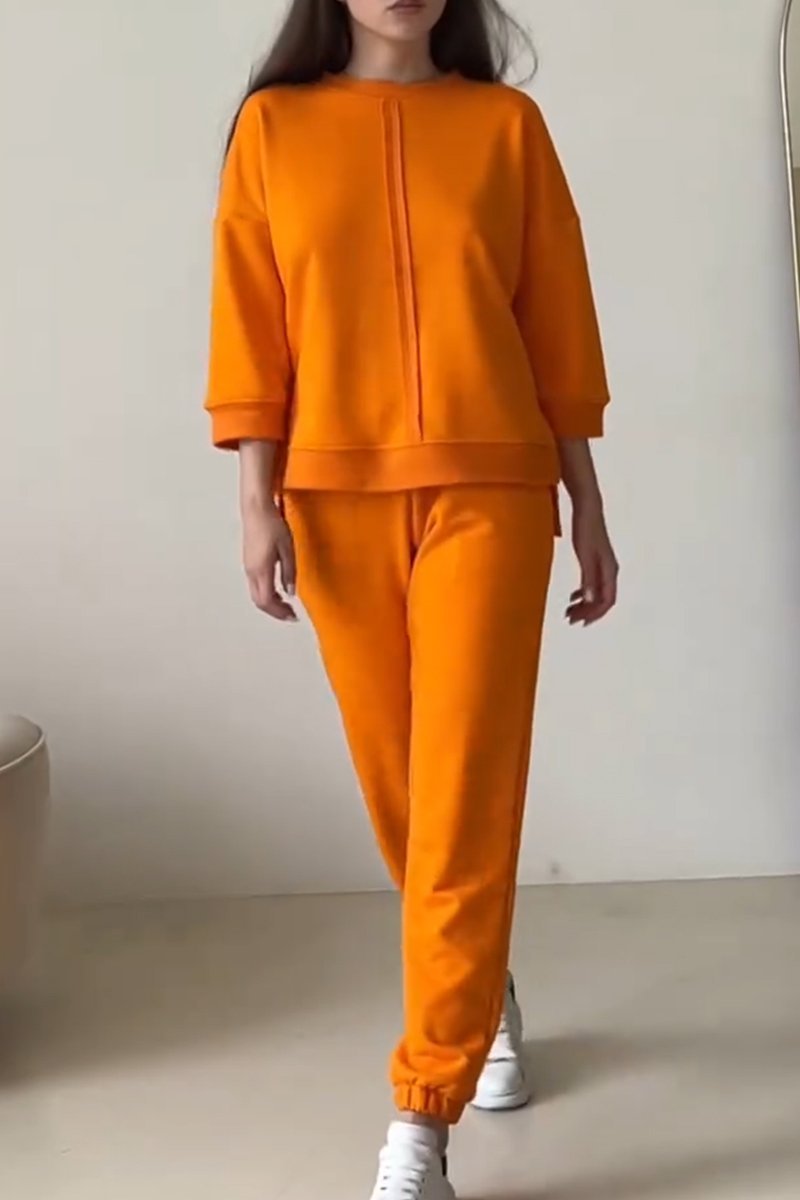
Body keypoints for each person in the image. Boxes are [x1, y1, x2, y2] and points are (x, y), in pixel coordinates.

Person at [205, 1, 618, 1196]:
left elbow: (555, 318)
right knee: (404, 791)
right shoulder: (274, 129)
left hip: (493, 486)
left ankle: (419, 1120)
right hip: (331, 495)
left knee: (464, 785)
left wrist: (587, 500)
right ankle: (476, 988)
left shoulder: (504, 128)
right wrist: (255, 499)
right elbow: (251, 320)